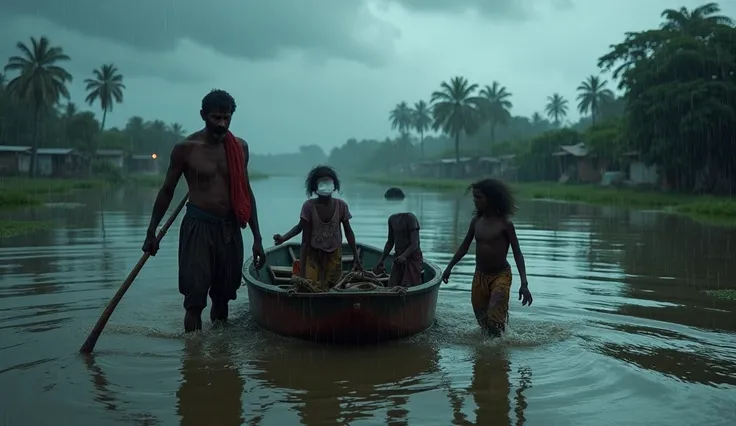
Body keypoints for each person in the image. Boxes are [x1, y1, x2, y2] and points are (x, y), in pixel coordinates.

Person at [142, 89, 266, 332]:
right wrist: (151, 232)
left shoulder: (240, 148)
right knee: (194, 300)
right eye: (216, 118)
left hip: (230, 229)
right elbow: (167, 190)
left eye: (226, 118)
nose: (221, 123)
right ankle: (193, 356)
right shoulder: (186, 149)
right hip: (198, 228)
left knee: (223, 297)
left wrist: (257, 237)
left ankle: (221, 355)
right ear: (203, 115)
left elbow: (245, 191)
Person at [441, 178, 533, 336]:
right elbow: (464, 246)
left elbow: (517, 253)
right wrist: (449, 267)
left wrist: (524, 283)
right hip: (480, 276)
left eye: (478, 197)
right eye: (474, 197)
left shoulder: (505, 224)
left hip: (501, 276)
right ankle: (487, 355)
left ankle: (499, 349)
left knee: (494, 317)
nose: (475, 201)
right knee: (483, 322)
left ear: (491, 199)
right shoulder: (476, 221)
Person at [295, 165, 361, 290]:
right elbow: (304, 241)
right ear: (315, 187)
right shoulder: (308, 206)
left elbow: (349, 232)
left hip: (334, 254)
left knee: (333, 287)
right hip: (313, 254)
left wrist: (356, 258)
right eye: (322, 183)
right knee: (310, 287)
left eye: (328, 182)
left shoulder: (341, 206)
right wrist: (302, 274)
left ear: (334, 185)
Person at [373, 212, 423, 287]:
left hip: (412, 258)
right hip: (398, 258)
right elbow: (390, 242)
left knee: (408, 284)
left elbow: (415, 244)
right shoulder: (392, 220)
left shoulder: (411, 219)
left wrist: (404, 256)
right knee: (393, 284)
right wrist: (381, 260)